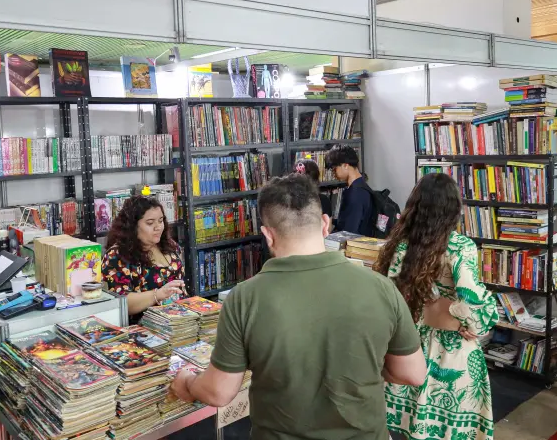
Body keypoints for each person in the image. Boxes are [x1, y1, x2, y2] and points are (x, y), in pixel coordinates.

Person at [171, 174, 427, 439]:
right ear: (325, 224)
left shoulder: (244, 299)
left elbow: (219, 392)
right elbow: (413, 373)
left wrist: (187, 382)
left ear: (267, 235)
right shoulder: (381, 287)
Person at [373, 173, 499, 440]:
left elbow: (390, 299)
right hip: (449, 353)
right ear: (454, 209)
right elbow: (474, 305)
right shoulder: (459, 247)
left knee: (407, 430)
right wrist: (465, 318)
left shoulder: (397, 246)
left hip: (406, 348)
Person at [102, 195, 186, 316]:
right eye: (150, 223)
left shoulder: (170, 246)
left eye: (161, 221)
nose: (158, 227)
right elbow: (120, 303)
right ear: (133, 226)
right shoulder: (117, 256)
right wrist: (157, 294)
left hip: (179, 321)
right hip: (142, 328)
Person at [326, 145, 372, 235]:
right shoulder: (362, 187)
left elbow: (348, 232)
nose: (333, 174)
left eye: (334, 169)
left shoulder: (356, 194)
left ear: (345, 165)